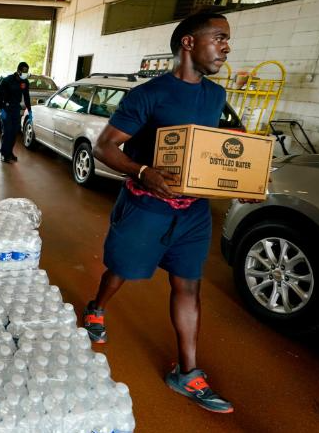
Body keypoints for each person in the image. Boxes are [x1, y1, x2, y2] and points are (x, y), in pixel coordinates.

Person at [82, 12, 234, 413]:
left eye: (226, 40)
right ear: (188, 42)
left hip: (193, 214)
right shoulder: (148, 95)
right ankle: (96, 308)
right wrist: (144, 171)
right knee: (122, 271)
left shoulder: (216, 97)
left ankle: (188, 372)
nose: (226, 47)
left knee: (189, 286)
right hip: (146, 207)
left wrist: (236, 184)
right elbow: (105, 147)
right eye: (219, 38)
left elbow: (211, 152)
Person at [0, 62, 31, 163]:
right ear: (19, 71)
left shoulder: (25, 82)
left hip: (16, 108)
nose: (26, 73)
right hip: (6, 108)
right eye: (24, 71)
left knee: (14, 132)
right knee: (7, 132)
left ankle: (10, 152)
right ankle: (4, 154)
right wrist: (1, 109)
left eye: (27, 71)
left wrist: (29, 109)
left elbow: (26, 96)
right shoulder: (8, 80)